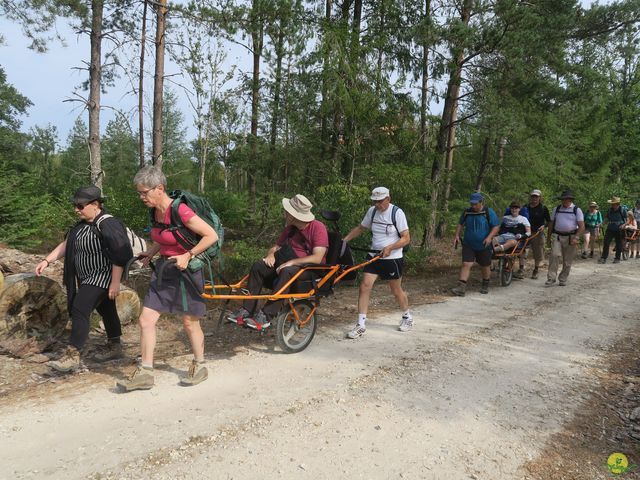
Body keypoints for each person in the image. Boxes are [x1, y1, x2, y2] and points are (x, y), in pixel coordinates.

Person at [117, 166, 218, 392]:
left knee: (189, 322)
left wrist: (188, 254)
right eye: (140, 193)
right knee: (146, 319)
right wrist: (151, 252)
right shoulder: (155, 211)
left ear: (159, 188)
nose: (141, 197)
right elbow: (165, 236)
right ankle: (145, 372)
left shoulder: (180, 210)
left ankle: (200, 365)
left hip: (187, 271)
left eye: (144, 192)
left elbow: (212, 235)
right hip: (164, 269)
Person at [35, 186, 133, 372]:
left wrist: (114, 282)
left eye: (80, 206)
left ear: (95, 204)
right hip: (87, 277)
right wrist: (46, 260)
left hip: (102, 276)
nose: (76, 209)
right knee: (107, 309)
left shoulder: (107, 223)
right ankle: (115, 346)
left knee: (80, 308)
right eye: (75, 205)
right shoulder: (81, 225)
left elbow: (120, 253)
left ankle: (72, 356)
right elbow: (66, 244)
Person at [227, 194, 329, 331]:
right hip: (285, 265)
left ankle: (266, 316)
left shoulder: (317, 227)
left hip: (310, 270)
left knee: (287, 271)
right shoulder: (290, 229)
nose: (284, 213)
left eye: (287, 211)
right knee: (258, 266)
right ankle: (247, 309)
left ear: (293, 215)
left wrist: (292, 262)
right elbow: (275, 247)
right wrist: (271, 255)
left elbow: (317, 257)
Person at [342, 187, 411, 338]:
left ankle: (407, 316)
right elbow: (361, 228)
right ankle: (360, 325)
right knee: (364, 286)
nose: (378, 205)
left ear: (388, 198)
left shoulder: (397, 213)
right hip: (373, 256)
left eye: (380, 201)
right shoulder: (372, 211)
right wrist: (345, 240)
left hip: (392, 258)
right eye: (375, 201)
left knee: (395, 291)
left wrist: (390, 247)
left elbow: (406, 238)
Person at [451, 192, 500, 296]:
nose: (473, 206)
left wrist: (489, 237)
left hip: (484, 244)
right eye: (471, 204)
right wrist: (456, 236)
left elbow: (496, 226)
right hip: (469, 243)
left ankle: (485, 284)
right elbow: (460, 224)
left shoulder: (488, 212)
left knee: (485, 265)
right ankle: (461, 288)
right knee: (466, 263)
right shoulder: (467, 212)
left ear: (481, 202)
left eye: (475, 204)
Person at [546, 190, 585, 286]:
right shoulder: (557, 209)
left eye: (566, 199)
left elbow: (581, 226)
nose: (564, 201)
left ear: (570, 200)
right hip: (557, 236)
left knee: (567, 260)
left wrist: (576, 237)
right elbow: (551, 223)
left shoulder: (576, 210)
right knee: (554, 255)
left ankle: (563, 278)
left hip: (571, 237)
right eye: (563, 199)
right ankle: (551, 278)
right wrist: (548, 237)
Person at [515, 189, 550, 279]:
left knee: (538, 252)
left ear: (539, 198)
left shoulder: (543, 208)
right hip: (526, 232)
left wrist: (544, 226)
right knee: (521, 250)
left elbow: (549, 221)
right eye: (533, 196)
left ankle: (536, 270)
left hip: (537, 232)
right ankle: (521, 269)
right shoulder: (525, 207)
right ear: (530, 197)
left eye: (536, 196)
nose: (534, 198)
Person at [598, 197, 627, 264]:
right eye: (612, 204)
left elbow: (628, 220)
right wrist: (601, 224)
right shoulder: (610, 210)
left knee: (618, 243)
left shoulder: (622, 210)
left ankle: (617, 258)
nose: (612, 205)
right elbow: (606, 219)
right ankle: (603, 258)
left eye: (613, 204)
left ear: (617, 204)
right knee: (606, 242)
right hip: (610, 228)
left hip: (619, 229)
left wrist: (623, 225)